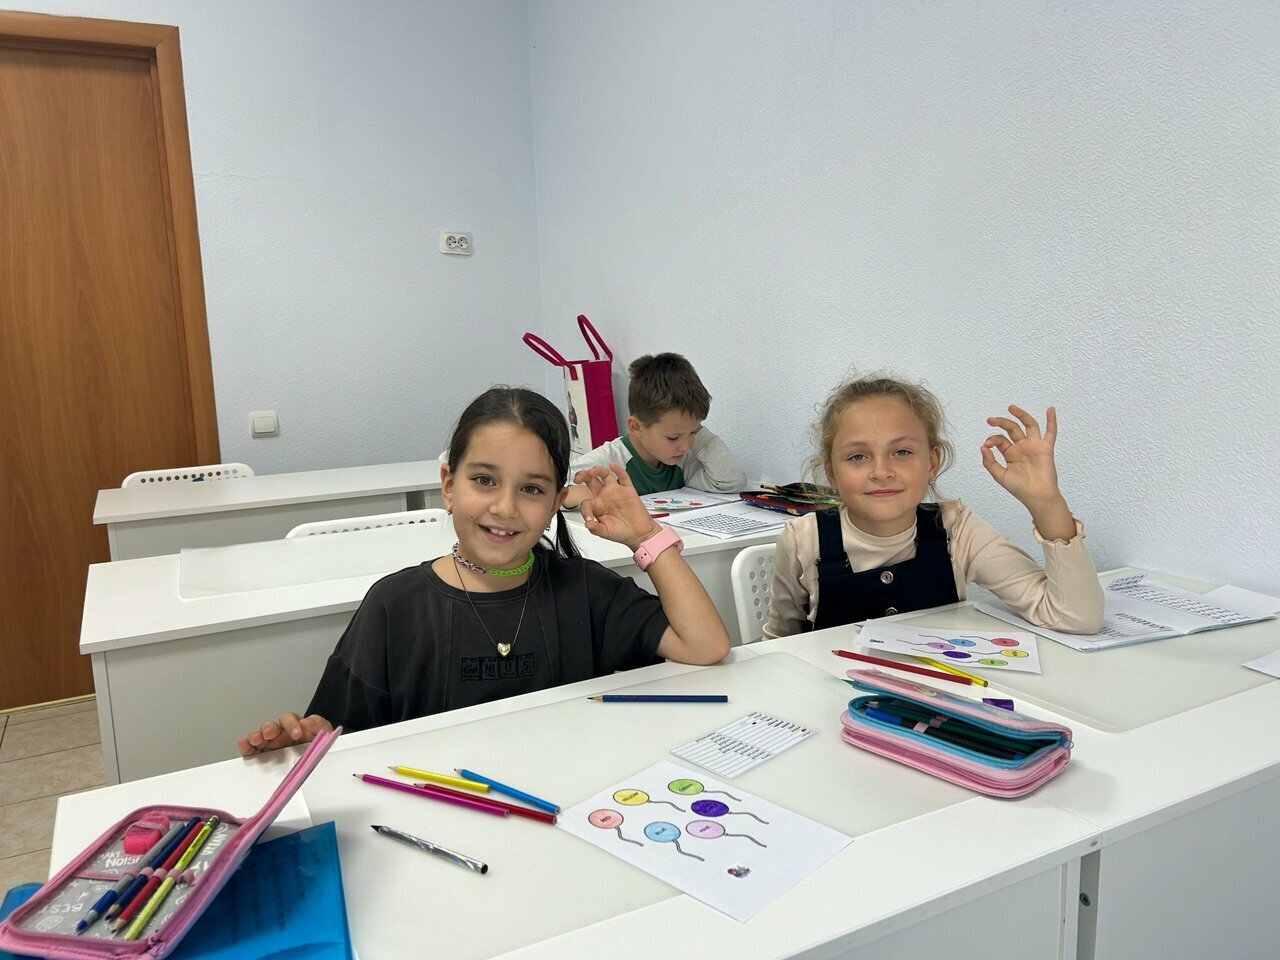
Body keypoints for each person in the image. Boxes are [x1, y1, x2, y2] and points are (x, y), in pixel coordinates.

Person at [238, 387, 730, 755]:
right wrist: (308, 738)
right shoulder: (395, 606)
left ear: (556, 503)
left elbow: (705, 645)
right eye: (483, 480)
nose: (505, 507)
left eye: (532, 489)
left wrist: (646, 538)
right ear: (449, 486)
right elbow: (337, 730)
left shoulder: (585, 589)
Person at [764, 374, 1105, 639]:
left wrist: (1046, 502)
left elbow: (1075, 617)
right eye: (857, 456)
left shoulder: (958, 529)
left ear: (932, 462)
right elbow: (780, 645)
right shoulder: (802, 541)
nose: (881, 471)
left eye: (902, 452)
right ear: (831, 472)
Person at [562, 352, 746, 508]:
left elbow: (730, 482)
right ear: (636, 427)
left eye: (692, 433)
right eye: (673, 437)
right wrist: (587, 494)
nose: (684, 446)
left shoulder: (683, 460)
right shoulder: (608, 460)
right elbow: (556, 493)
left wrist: (697, 432)